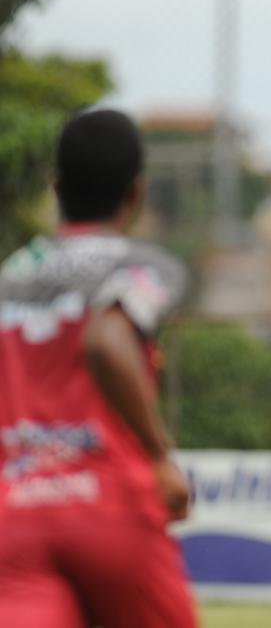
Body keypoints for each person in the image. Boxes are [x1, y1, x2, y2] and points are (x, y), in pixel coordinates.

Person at [0, 109, 197, 627]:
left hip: (18, 513)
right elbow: (108, 341)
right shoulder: (144, 266)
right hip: (111, 506)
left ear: (57, 186)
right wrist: (160, 457)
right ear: (137, 192)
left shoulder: (10, 276)